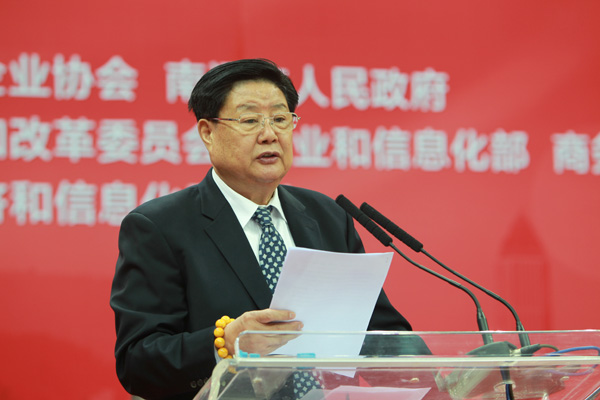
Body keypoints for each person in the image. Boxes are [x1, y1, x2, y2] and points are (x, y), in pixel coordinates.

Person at [110, 58, 428, 400]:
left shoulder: (327, 216)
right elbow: (138, 362)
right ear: (207, 132)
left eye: (280, 119)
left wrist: (438, 373)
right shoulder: (159, 227)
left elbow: (379, 330)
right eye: (250, 121)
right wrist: (226, 342)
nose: (269, 134)